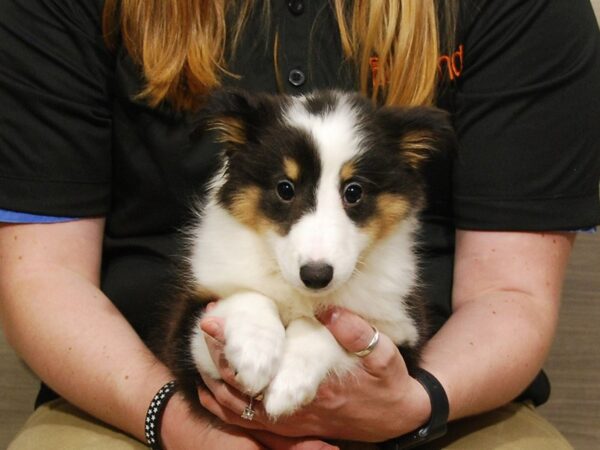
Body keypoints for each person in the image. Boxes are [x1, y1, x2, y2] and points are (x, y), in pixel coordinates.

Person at [0, 0, 599, 449]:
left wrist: (415, 405)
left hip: (441, 399)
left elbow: (510, 293)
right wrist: (175, 422)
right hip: (132, 399)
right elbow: (43, 278)